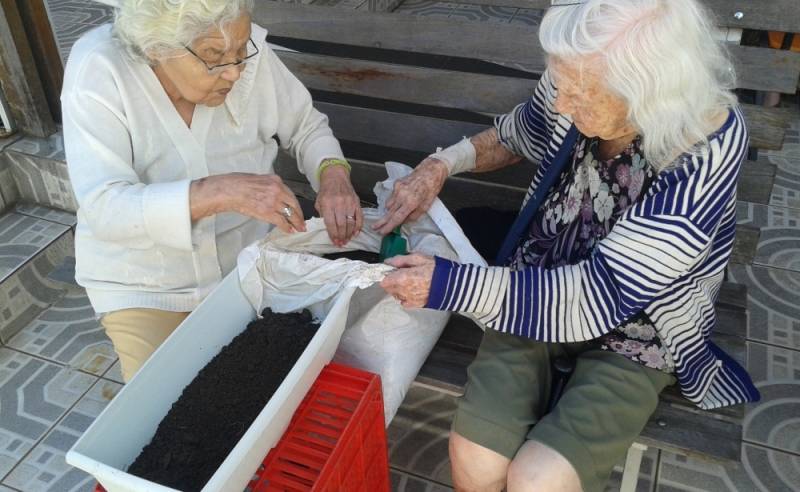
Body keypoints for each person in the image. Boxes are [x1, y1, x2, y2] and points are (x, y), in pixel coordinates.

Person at [378, 0, 760, 490]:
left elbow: (599, 294)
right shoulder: (578, 70)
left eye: (582, 94)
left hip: (642, 326)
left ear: (651, 92)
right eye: (561, 85)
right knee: (474, 456)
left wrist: (450, 285)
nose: (562, 104)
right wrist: (440, 166)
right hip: (532, 287)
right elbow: (519, 133)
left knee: (540, 479)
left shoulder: (705, 147)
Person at [62, 0, 362, 382]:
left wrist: (333, 176)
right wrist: (219, 192)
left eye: (241, 52)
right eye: (213, 56)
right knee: (158, 406)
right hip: (147, 281)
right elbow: (104, 207)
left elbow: (305, 126)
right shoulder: (100, 68)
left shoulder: (235, 42)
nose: (236, 72)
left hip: (250, 262)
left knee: (285, 383)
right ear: (157, 47)